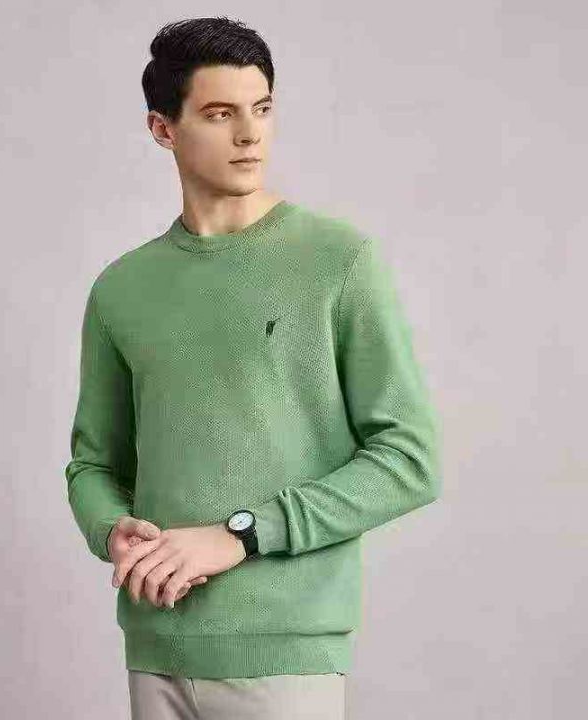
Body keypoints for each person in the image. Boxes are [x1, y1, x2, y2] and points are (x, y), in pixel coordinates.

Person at [64, 15, 442, 720]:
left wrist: (241, 533)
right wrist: (112, 528)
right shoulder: (121, 289)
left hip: (285, 654)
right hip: (156, 648)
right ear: (162, 129)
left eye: (261, 108)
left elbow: (410, 459)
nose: (250, 134)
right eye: (219, 114)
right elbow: (93, 464)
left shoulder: (338, 261)